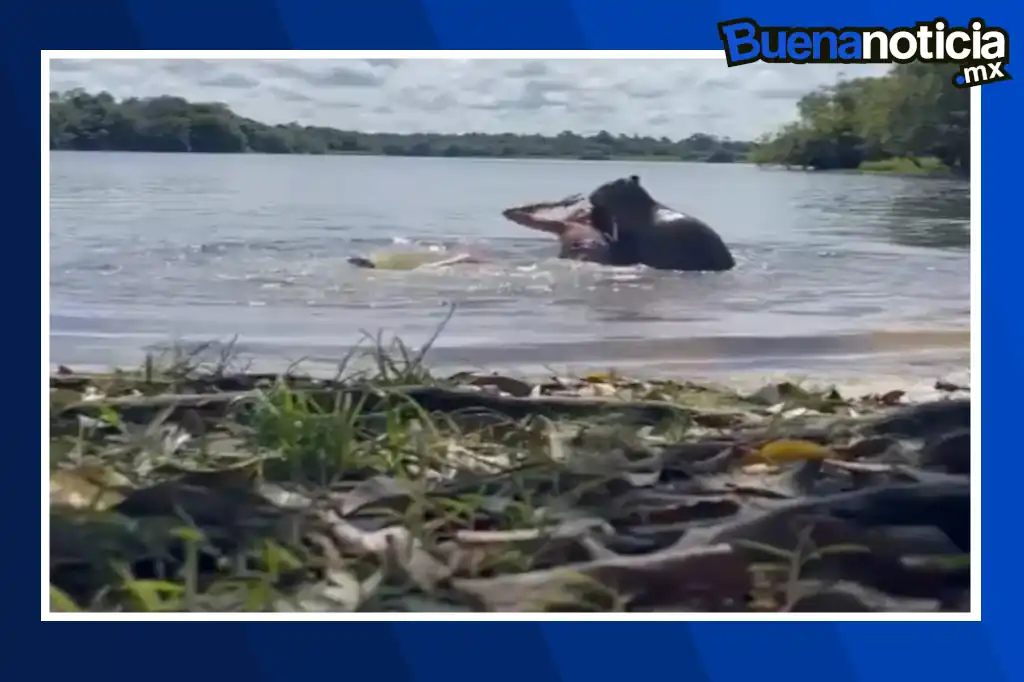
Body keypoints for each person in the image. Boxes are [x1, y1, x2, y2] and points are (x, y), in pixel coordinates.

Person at [501, 194, 611, 262]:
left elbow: (511, 214)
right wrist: (557, 205)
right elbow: (511, 214)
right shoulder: (564, 226)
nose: (587, 213)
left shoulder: (607, 232)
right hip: (584, 263)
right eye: (581, 211)